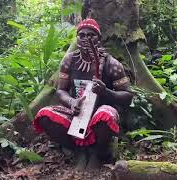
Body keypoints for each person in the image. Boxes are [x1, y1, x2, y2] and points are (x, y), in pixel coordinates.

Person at [32, 18, 133, 169]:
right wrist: (72, 102)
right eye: (82, 35)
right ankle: (78, 150)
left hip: (100, 114)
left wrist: (106, 92)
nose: (86, 38)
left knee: (105, 115)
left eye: (91, 35)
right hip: (76, 114)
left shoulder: (112, 65)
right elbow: (61, 90)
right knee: (45, 115)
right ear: (77, 39)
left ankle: (99, 152)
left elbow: (128, 96)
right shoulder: (69, 60)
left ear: (99, 39)